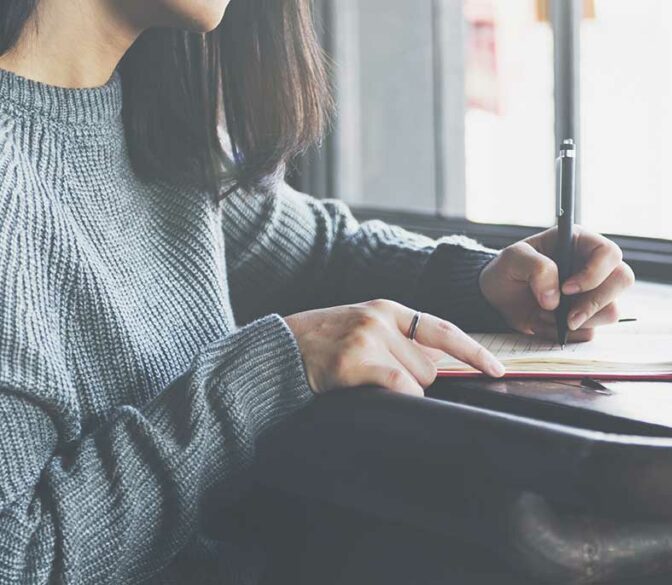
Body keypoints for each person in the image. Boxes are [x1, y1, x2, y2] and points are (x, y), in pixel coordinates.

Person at [0, 0, 635, 582]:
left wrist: (484, 280)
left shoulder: (149, 116)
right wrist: (268, 373)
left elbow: (313, 251)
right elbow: (17, 560)